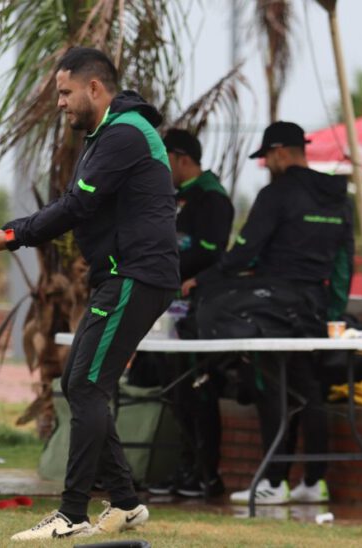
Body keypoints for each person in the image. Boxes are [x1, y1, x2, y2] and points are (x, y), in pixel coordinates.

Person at [0, 47, 179, 539]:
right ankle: (124, 503)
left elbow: (75, 207)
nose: (60, 102)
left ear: (94, 89)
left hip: (135, 276)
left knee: (84, 386)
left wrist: (10, 236)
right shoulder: (110, 132)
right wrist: (12, 232)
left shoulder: (124, 134)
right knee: (79, 384)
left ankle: (72, 514)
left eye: (64, 92)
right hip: (121, 276)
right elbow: (76, 205)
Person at [190, 121, 354, 505]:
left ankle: (273, 481)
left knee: (270, 388)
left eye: (266, 157)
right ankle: (314, 482)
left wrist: (203, 280)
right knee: (307, 389)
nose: (266, 165)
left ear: (281, 152)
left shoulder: (276, 194)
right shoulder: (338, 199)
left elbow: (244, 253)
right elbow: (344, 263)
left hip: (272, 308)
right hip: (315, 307)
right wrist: (333, 313)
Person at [146, 129, 234, 498]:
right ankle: (184, 468)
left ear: (182, 158)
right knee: (176, 390)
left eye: (165, 158)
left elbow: (213, 253)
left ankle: (206, 474)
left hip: (201, 310)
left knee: (198, 389)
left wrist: (175, 268)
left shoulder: (212, 199)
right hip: (170, 307)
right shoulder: (174, 197)